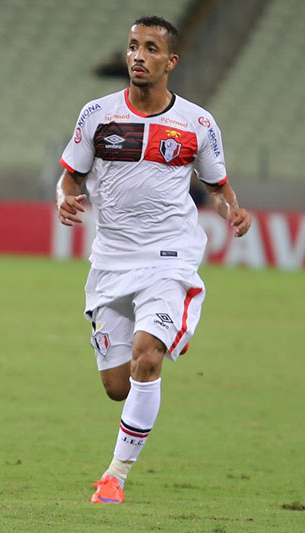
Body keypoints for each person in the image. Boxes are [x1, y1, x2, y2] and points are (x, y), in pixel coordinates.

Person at [56, 16, 252, 504]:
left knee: (148, 354)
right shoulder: (97, 115)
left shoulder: (197, 123)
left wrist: (232, 211)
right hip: (111, 263)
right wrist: (65, 197)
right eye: (131, 47)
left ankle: (115, 477)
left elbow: (218, 186)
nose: (138, 56)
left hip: (169, 258)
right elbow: (72, 176)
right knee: (116, 385)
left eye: (149, 48)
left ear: (171, 61)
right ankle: (137, 402)